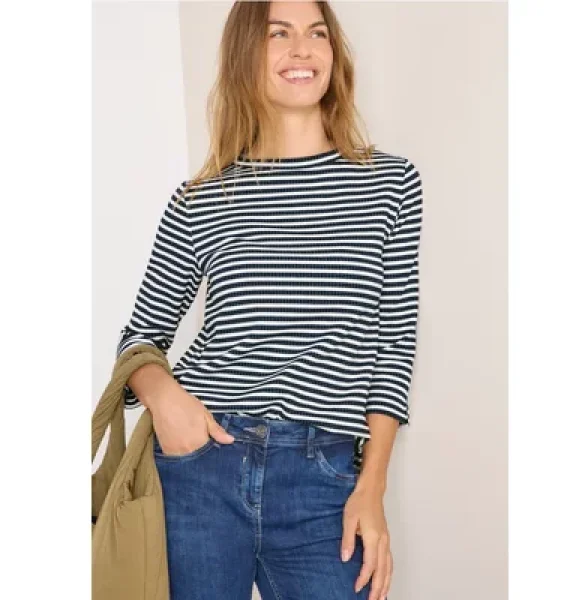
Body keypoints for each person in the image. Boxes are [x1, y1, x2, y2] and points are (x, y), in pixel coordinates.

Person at [116, 2, 423, 599]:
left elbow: (393, 344)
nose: (301, 49)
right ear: (244, 55)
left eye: (316, 33)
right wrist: (166, 401)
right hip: (200, 468)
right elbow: (139, 338)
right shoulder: (200, 197)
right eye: (277, 34)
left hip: (324, 475)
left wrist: (373, 487)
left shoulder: (390, 183)